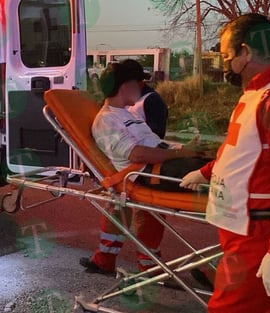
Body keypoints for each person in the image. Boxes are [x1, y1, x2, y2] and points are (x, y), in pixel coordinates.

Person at [180, 13, 270, 313]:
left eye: (228, 55)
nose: (225, 63)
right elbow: (243, 150)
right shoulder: (258, 92)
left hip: (262, 233)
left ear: (245, 52)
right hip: (246, 229)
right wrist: (206, 173)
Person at [80, 60, 208, 276]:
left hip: (162, 166)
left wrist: (188, 148)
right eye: (138, 82)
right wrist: (182, 154)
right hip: (148, 173)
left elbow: (154, 143)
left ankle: (144, 265)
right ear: (125, 86)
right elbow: (137, 153)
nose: (142, 87)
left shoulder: (128, 115)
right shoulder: (106, 120)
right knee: (225, 179)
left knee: (222, 165)